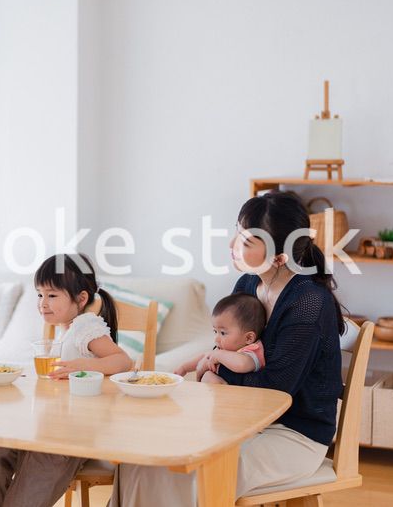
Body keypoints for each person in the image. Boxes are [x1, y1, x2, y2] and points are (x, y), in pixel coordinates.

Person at [110, 190, 344, 506]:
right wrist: (217, 368)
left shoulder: (308, 303)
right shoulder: (248, 286)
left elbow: (275, 391)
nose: (232, 245)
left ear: (279, 256)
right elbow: (223, 352)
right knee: (145, 454)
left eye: (246, 242)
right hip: (238, 421)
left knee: (191, 469)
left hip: (293, 435)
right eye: (237, 233)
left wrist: (218, 372)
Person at [0, 253, 132, 507]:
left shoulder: (85, 327)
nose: (42, 303)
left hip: (71, 437)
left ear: (81, 299)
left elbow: (123, 361)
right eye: (39, 294)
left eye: (52, 295)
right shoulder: (67, 328)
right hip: (48, 427)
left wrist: (81, 365)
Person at [174, 292, 266, 383]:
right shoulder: (224, 349)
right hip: (220, 393)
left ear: (248, 338)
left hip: (241, 395)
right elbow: (205, 356)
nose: (216, 339)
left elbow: (242, 364)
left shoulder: (250, 352)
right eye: (215, 331)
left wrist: (218, 355)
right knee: (208, 376)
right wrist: (184, 368)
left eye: (222, 333)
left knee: (209, 377)